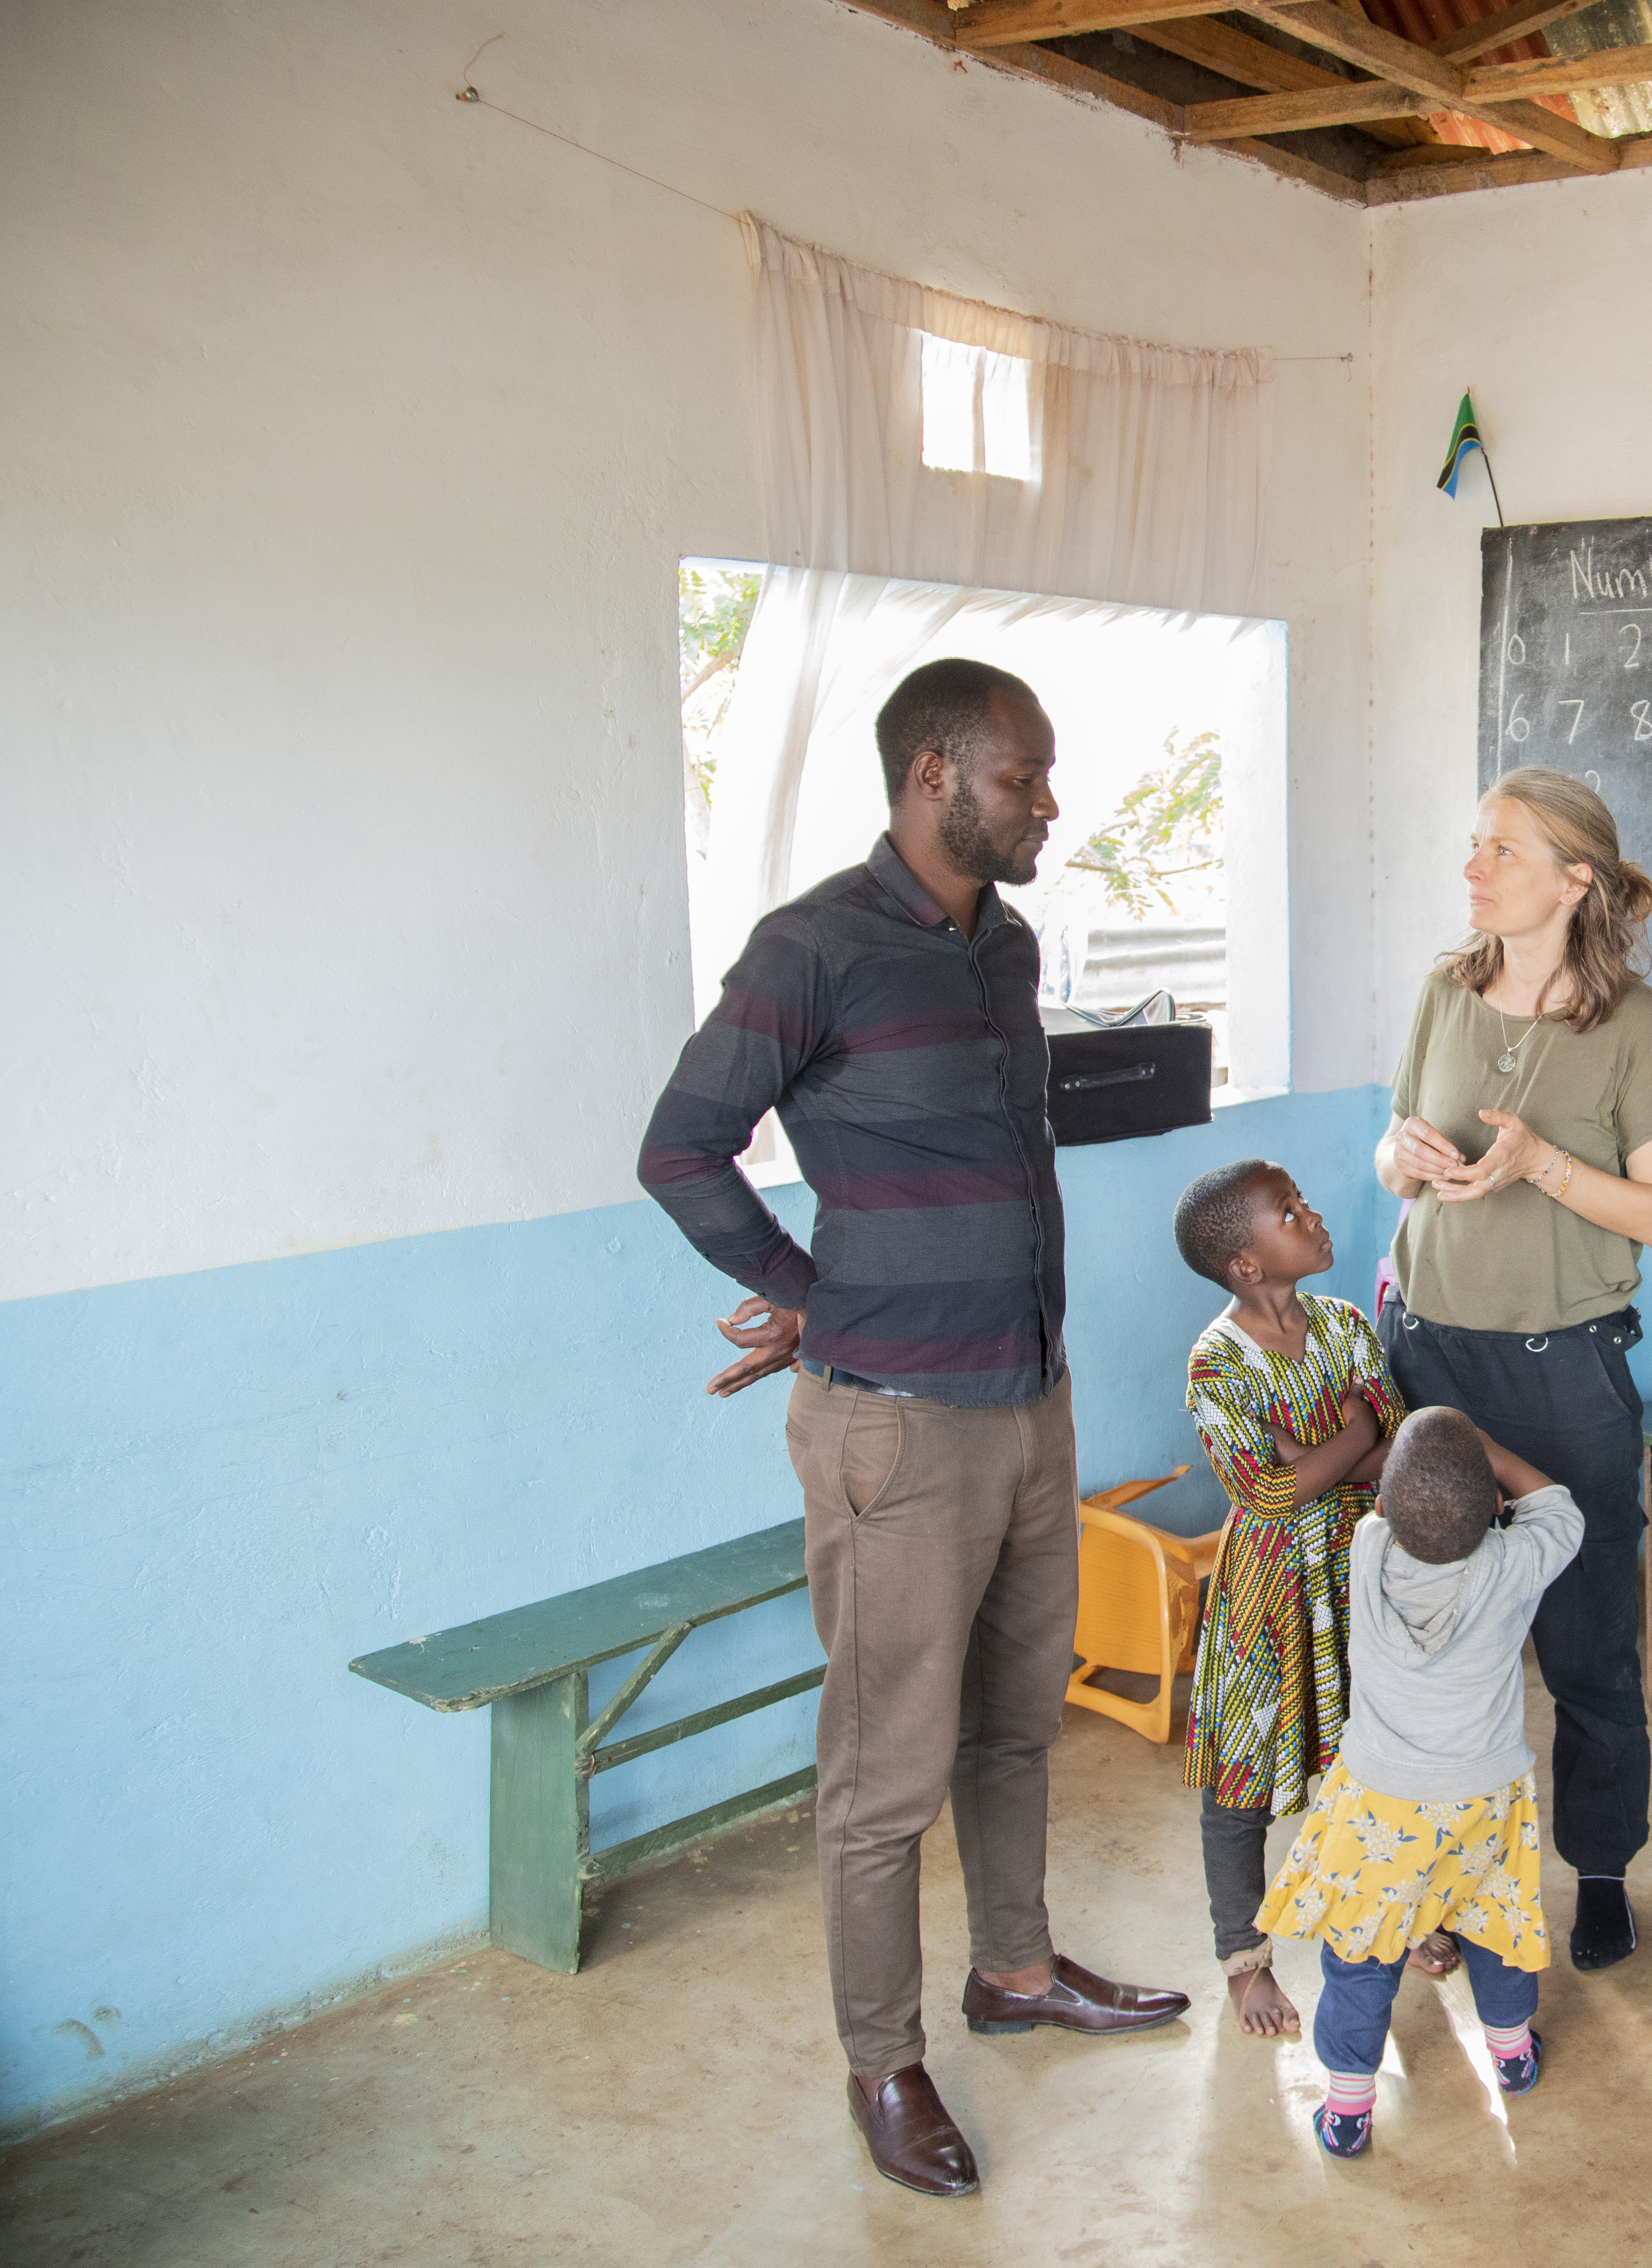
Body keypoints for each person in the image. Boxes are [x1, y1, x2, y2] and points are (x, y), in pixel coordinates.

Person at [635, 658, 1186, 2201]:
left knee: (1018, 1723)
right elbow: (679, 1146)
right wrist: (808, 1291)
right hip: (895, 1430)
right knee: (884, 1778)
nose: (1048, 804)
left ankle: (1013, 1968)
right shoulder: (810, 946)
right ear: (936, 775)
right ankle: (883, 2059)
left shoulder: (998, 947)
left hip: (1028, 1401)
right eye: (1025, 777)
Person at [1374, 767, 1652, 1973]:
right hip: (1431, 1358)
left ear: (1575, 879)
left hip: (1565, 1374)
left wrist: (1540, 1167)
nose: (1473, 869)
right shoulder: (1444, 992)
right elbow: (1394, 1154)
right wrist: (1400, 1153)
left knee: (1588, 1645)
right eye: (1471, 847)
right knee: (1440, 1642)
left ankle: (1600, 1872)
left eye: (1500, 850)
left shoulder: (1635, 1026)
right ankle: (1446, 1882)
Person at [1256, 1409, 1581, 2158]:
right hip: (1485, 1802)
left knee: (1361, 1953)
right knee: (1496, 1929)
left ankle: (1346, 2107)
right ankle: (1511, 2054)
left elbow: (1394, 1511)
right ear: (1498, 1509)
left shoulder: (1369, 1549)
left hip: (1380, 1805)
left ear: (1383, 1512)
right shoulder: (1513, 1564)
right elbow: (1559, 1508)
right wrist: (1495, 1450)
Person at [1170, 1159, 1405, 2039]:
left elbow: (1397, 1445)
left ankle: (1396, 1919)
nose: (1312, 1218)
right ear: (1248, 1264)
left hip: (1360, 1576)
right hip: (1267, 1593)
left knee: (1375, 1759)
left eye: (1303, 1202)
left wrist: (1320, 1457)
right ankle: (1245, 1958)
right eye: (1288, 1213)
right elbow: (1267, 1497)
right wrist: (1352, 1432)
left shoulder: (1346, 1324)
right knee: (1241, 1779)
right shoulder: (1215, 1363)